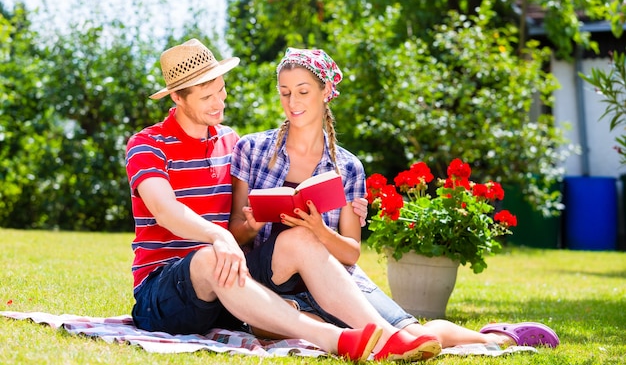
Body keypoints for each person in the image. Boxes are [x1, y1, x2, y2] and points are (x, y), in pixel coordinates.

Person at [125, 38, 444, 362]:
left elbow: (249, 211)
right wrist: (219, 236)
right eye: (207, 96)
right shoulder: (147, 145)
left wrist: (343, 207)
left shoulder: (229, 140)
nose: (219, 102)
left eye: (221, 90)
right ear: (178, 97)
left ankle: (387, 339)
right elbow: (165, 211)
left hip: (231, 284)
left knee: (300, 238)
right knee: (209, 257)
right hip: (164, 293)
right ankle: (339, 340)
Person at [229, 47, 561, 350]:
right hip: (273, 277)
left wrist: (319, 230)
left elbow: (351, 252)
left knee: (418, 336)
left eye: (303, 92)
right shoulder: (253, 150)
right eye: (285, 93)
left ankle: (500, 337)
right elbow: (235, 234)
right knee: (306, 302)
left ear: (326, 92)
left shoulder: (346, 167)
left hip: (335, 280)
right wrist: (253, 227)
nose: (293, 102)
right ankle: (384, 341)